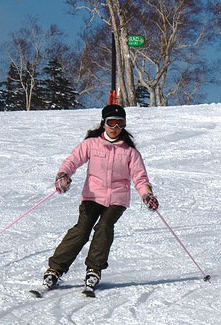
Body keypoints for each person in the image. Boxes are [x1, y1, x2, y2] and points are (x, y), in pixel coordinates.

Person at [42, 104, 159, 291]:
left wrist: (147, 194)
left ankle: (94, 269)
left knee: (104, 227)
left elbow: (140, 177)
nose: (115, 128)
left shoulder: (130, 152)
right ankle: (55, 269)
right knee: (82, 230)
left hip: (117, 199)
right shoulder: (91, 144)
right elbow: (72, 161)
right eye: (111, 122)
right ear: (103, 123)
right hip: (92, 195)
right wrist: (63, 174)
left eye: (120, 123)